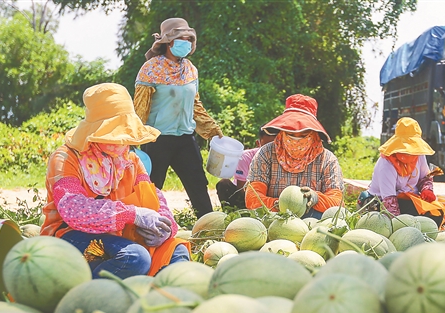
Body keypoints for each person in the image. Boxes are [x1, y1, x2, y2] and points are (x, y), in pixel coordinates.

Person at [40, 83, 190, 279]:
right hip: (69, 238)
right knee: (135, 258)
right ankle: (80, 289)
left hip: (120, 237)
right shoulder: (65, 158)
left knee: (177, 251)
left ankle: (157, 291)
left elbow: (153, 196)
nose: (121, 142)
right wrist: (133, 214)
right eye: (113, 134)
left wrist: (164, 227)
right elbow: (73, 210)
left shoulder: (132, 160)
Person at [133, 17, 222, 218]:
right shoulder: (150, 69)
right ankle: (147, 226)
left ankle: (208, 226)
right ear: (168, 42)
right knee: (152, 187)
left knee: (197, 183)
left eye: (189, 38)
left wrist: (212, 130)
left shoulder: (190, 69)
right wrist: (133, 138)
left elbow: (195, 105)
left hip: (185, 138)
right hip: (157, 139)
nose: (186, 42)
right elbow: (140, 108)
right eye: (182, 38)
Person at [245, 94, 343, 218]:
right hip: (273, 219)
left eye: (304, 134)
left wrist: (316, 198)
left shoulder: (327, 160)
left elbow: (337, 203)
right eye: (290, 133)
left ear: (314, 133)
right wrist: (280, 205)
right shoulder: (265, 154)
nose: (296, 139)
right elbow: (252, 198)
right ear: (282, 131)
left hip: (314, 222)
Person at [365, 117, 445, 226]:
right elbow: (389, 201)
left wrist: (427, 190)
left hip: (411, 198)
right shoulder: (386, 164)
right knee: (413, 214)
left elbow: (425, 177)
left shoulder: (419, 155)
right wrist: (396, 226)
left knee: (437, 213)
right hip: (383, 201)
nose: (410, 153)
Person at [215, 127, 277, 209]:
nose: (270, 150)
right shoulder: (244, 157)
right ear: (258, 143)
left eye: (274, 146)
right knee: (223, 184)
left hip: (268, 196)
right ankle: (231, 211)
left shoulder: (284, 160)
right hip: (246, 195)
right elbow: (241, 188)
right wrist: (256, 202)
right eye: (266, 146)